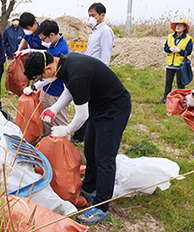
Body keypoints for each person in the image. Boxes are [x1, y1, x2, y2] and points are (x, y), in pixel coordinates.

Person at [23, 51, 131, 225]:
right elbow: (69, 91)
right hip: (99, 107)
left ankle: (101, 206)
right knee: (91, 149)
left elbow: (81, 115)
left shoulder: (76, 72)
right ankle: (89, 188)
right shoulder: (64, 64)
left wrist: (66, 130)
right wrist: (55, 109)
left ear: (49, 67)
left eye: (41, 76)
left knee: (104, 157)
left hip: (114, 109)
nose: (41, 80)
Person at [73, 2, 115, 143]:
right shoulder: (94, 31)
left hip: (96, 74)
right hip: (88, 71)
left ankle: (81, 135)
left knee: (89, 105)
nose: (90, 18)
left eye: (93, 15)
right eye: (89, 15)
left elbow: (105, 56)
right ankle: (83, 134)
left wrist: (101, 77)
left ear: (102, 15)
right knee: (85, 104)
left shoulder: (106, 31)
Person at [21, 19, 70, 136]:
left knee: (59, 122)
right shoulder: (53, 45)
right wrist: (31, 50)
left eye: (43, 39)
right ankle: (49, 144)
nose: (42, 42)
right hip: (47, 89)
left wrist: (34, 86)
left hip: (56, 92)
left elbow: (53, 74)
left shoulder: (61, 49)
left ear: (52, 35)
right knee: (47, 120)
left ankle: (65, 148)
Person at [156, 19, 193, 104]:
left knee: (180, 84)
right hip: (170, 64)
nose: (178, 27)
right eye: (177, 25)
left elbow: (189, 52)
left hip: (181, 65)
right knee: (168, 83)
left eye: (180, 25)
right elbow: (165, 48)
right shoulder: (170, 37)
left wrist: (179, 51)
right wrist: (169, 49)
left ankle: (182, 101)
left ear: (184, 28)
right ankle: (166, 99)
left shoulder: (188, 39)